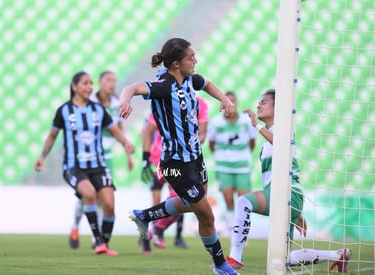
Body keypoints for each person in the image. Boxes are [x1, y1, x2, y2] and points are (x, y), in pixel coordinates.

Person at [118, 38, 238, 275]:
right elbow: (132, 88)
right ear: (175, 64)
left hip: (195, 156)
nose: (195, 60)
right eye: (191, 57)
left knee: (193, 203)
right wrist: (124, 100)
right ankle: (220, 264)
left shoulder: (190, 80)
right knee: (205, 213)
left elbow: (208, 84)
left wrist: (224, 99)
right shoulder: (163, 86)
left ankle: (145, 216)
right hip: (175, 162)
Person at [226, 89, 351, 272]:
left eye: (264, 102)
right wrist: (295, 211)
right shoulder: (267, 137)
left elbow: (280, 143)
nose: (259, 105)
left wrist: (256, 126)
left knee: (244, 201)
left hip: (286, 192)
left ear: (278, 107)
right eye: (259, 102)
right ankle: (337, 255)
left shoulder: (283, 128)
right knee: (284, 259)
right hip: (286, 196)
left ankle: (234, 258)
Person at [34, 71, 134, 256]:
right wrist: (42, 156)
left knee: (110, 206)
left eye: (90, 83)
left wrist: (125, 143)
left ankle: (104, 243)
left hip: (98, 165)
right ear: (74, 87)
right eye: (85, 83)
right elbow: (52, 136)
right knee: (88, 194)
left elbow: (114, 130)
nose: (90, 87)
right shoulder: (64, 111)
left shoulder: (98, 110)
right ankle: (98, 242)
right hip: (74, 166)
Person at [68, 70, 134, 249]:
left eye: (114, 80)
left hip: (108, 157)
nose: (112, 83)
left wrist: (127, 153)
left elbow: (118, 127)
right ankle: (74, 227)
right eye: (108, 80)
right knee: (86, 196)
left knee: (103, 198)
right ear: (100, 82)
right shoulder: (90, 103)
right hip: (88, 156)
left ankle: (94, 237)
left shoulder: (115, 104)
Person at [141, 95, 209, 253]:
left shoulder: (201, 103)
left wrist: (189, 144)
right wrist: (145, 158)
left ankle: (153, 229)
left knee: (184, 199)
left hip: (184, 159)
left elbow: (203, 135)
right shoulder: (165, 99)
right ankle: (151, 231)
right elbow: (148, 131)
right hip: (160, 157)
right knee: (167, 199)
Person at [207, 91, 257, 236]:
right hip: (223, 166)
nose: (229, 105)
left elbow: (252, 142)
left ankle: (243, 232)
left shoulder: (245, 121)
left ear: (236, 104)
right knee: (228, 200)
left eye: (232, 101)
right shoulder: (216, 122)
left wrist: (242, 155)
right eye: (226, 101)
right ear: (223, 104)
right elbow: (211, 143)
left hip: (242, 166)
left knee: (244, 200)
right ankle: (231, 230)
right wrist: (221, 156)